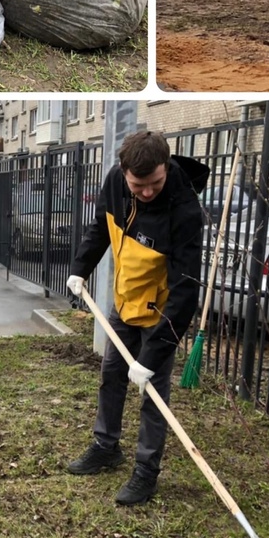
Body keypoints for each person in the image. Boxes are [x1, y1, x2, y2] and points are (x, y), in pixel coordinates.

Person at [64, 131, 207, 506]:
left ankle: (146, 471)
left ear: (166, 166)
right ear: (124, 173)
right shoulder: (114, 182)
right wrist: (81, 267)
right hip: (124, 301)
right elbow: (100, 228)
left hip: (160, 313)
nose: (147, 192)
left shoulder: (185, 211)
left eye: (155, 183)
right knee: (111, 375)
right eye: (138, 185)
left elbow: (187, 290)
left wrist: (152, 354)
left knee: (153, 394)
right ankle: (105, 446)